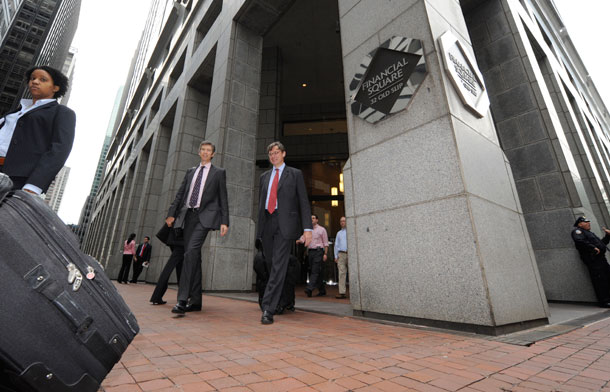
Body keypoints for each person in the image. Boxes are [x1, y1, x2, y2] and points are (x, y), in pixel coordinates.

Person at [165, 141, 229, 315]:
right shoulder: (190, 172)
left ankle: (182, 300)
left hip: (205, 217)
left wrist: (225, 221)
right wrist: (172, 213)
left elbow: (223, 197)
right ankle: (196, 301)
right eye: (203, 150)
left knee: (189, 253)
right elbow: (180, 194)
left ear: (213, 154)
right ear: (199, 152)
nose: (206, 152)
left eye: (209, 150)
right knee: (195, 256)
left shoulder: (218, 173)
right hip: (188, 217)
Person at [257, 141, 312, 325]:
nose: (273, 156)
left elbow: (303, 202)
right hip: (267, 224)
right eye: (271, 153)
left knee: (279, 265)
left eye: (276, 152)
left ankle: (268, 308)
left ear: (284, 154)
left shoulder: (294, 174)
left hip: (285, 225)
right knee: (272, 264)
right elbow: (260, 204)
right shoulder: (264, 177)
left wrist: (307, 229)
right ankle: (280, 300)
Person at [0, 66, 75, 194]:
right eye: (32, 78)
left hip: (17, 179)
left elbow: (59, 150)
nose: (34, 81)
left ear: (55, 88)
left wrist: (34, 185)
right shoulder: (16, 111)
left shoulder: (62, 112)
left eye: (43, 79)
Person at [571, 216, 610, 308]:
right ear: (580, 224)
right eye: (586, 222)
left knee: (607, 277)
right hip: (594, 260)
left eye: (589, 222)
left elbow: (601, 244)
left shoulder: (589, 233)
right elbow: (579, 241)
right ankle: (605, 301)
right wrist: (592, 247)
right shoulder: (578, 231)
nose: (589, 223)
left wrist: (608, 236)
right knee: (600, 281)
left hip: (601, 259)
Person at [150, 225, 184, 305]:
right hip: (181, 238)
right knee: (171, 266)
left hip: (175, 238)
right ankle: (157, 296)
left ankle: (183, 295)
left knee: (180, 266)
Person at [299, 214, 328, 298]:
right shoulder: (308, 231)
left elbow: (326, 243)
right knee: (315, 271)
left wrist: (325, 254)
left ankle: (309, 288)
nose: (312, 219)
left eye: (313, 218)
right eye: (310, 218)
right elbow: (303, 238)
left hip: (319, 252)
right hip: (310, 252)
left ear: (317, 220)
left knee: (315, 270)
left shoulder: (322, 230)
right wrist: (299, 241)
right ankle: (322, 290)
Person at [334, 216, 348, 299]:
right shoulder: (339, 233)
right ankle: (342, 292)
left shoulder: (350, 232)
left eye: (344, 221)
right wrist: (336, 256)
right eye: (341, 221)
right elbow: (336, 245)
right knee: (341, 274)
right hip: (341, 254)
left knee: (353, 274)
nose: (342, 222)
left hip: (350, 254)